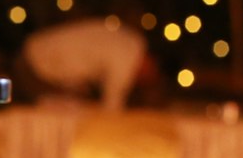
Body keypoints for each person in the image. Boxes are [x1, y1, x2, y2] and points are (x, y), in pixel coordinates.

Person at [19, 17, 152, 109]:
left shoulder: (130, 40)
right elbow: (112, 106)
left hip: (33, 51)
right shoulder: (128, 54)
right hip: (37, 66)